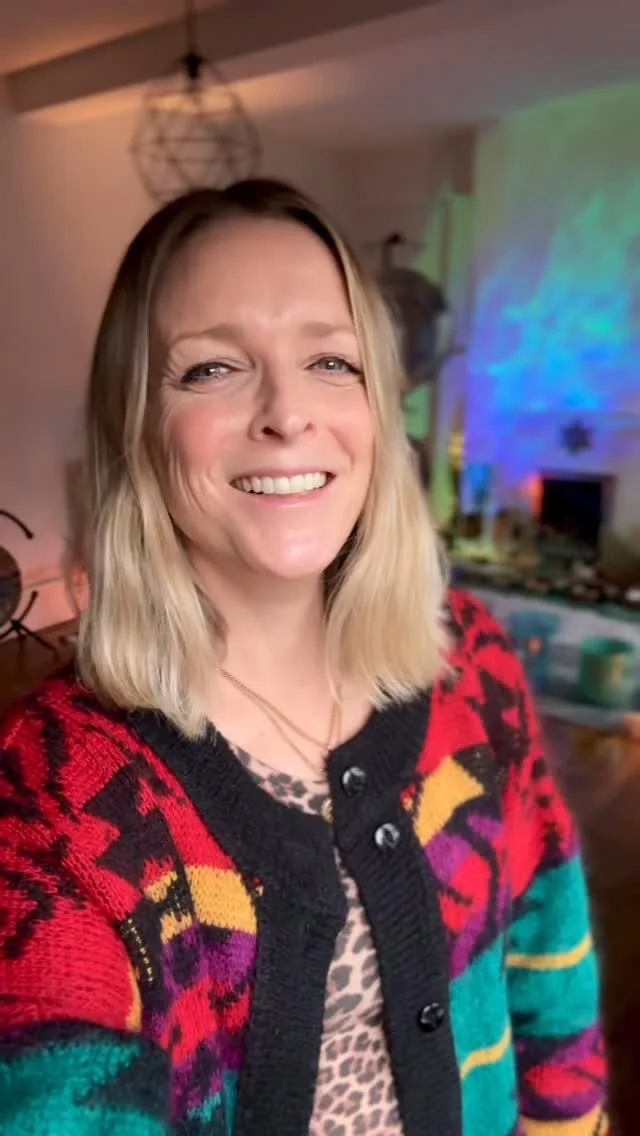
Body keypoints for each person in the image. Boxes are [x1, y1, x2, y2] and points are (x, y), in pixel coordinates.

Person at [0, 179, 606, 1136]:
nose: (288, 413)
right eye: (211, 369)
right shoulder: (52, 800)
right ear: (136, 426)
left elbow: (549, 943)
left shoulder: (470, 661)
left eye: (331, 360)